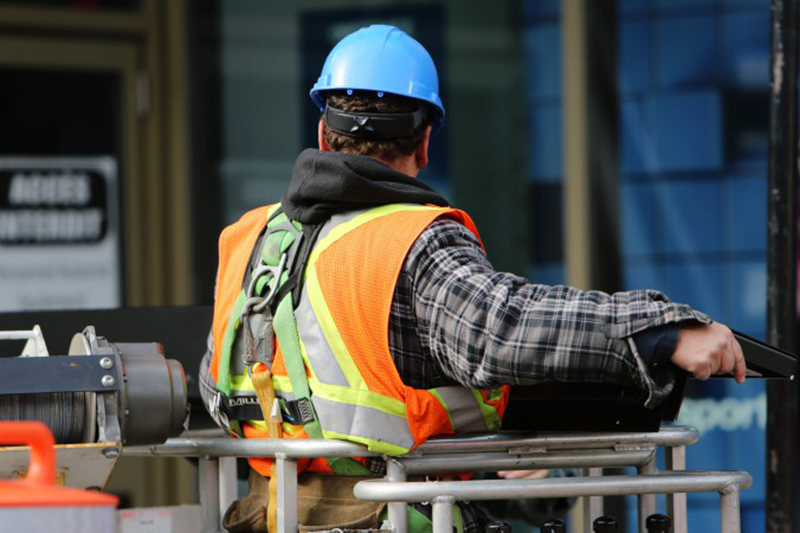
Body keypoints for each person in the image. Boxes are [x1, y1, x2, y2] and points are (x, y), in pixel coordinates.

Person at [199, 24, 746, 533]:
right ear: (425, 142)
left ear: (322, 131)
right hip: (387, 516)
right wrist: (662, 330)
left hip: (272, 514)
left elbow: (216, 381)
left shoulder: (248, 239)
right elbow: (498, 329)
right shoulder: (411, 239)